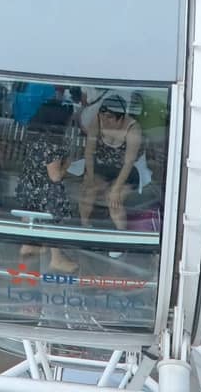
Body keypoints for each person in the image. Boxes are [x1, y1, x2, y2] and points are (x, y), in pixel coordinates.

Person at [16, 99, 78, 271]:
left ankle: (29, 245)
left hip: (29, 183)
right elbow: (55, 176)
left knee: (31, 215)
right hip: (46, 190)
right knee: (54, 221)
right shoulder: (53, 142)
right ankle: (56, 259)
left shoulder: (33, 132)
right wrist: (67, 165)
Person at [78, 93, 143, 231]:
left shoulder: (133, 129)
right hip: (101, 167)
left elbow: (128, 163)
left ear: (121, 118)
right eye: (103, 117)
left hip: (125, 172)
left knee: (114, 200)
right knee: (88, 192)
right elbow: (89, 152)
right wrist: (89, 177)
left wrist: (116, 188)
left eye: (110, 118)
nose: (105, 122)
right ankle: (84, 226)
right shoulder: (98, 121)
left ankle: (121, 236)